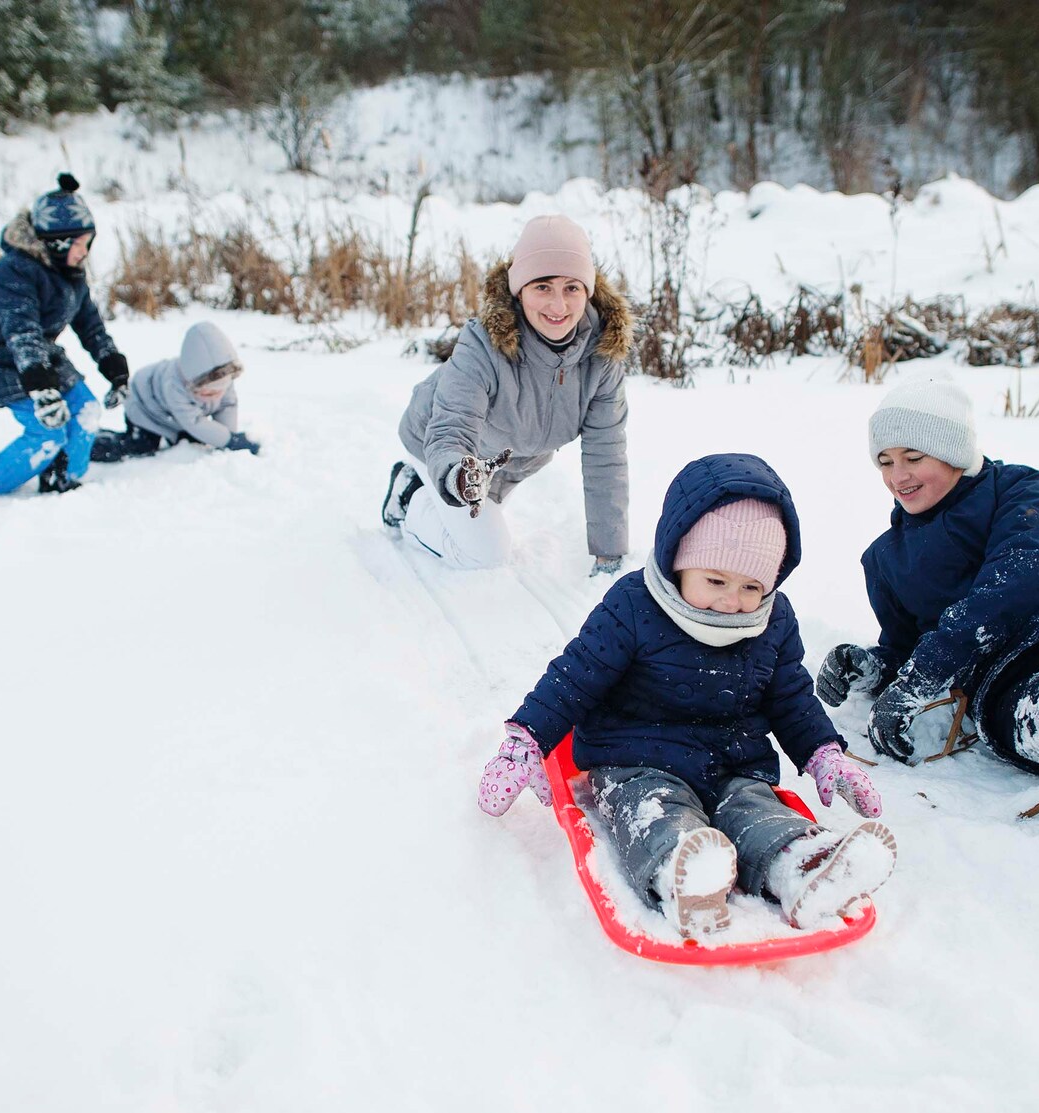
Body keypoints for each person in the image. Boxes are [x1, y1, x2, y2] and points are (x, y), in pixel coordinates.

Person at [477, 453, 897, 936]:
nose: (731, 601)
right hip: (635, 760)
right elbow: (575, 677)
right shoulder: (633, 605)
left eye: (751, 586)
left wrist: (824, 752)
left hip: (733, 765)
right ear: (678, 561)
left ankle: (802, 866)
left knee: (755, 810)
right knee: (652, 812)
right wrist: (526, 741)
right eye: (715, 580)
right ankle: (684, 875)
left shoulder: (773, 620)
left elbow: (792, 697)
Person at [817, 377, 1039, 837]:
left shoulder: (1017, 489)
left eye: (913, 457)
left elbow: (1023, 572)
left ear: (952, 452)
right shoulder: (885, 559)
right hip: (1015, 688)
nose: (897, 476)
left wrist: (925, 670)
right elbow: (906, 647)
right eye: (884, 462)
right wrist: (872, 666)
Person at [382, 214, 631, 574]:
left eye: (571, 287)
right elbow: (451, 427)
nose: (559, 306)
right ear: (519, 289)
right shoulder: (483, 344)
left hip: (508, 461)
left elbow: (605, 454)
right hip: (442, 448)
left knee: (483, 521)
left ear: (588, 291)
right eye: (542, 287)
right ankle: (407, 498)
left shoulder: (602, 355)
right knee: (484, 553)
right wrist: (456, 476)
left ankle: (441, 496)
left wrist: (610, 554)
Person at [0, 174, 129, 494]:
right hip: (3, 361)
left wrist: (115, 368)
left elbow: (90, 325)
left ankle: (62, 478)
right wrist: (43, 390)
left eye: (87, 242)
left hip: (41, 358)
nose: (85, 252)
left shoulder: (70, 274)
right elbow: (21, 333)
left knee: (86, 410)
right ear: (58, 242)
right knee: (48, 434)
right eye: (79, 243)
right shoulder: (15, 272)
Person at [91, 321, 259, 462]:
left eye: (219, 392)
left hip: (172, 413)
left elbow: (228, 405)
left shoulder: (223, 377)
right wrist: (228, 440)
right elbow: (193, 422)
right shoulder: (174, 386)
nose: (213, 398)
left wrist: (228, 436)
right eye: (207, 394)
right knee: (142, 446)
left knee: (197, 437)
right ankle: (92, 444)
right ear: (192, 383)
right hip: (143, 405)